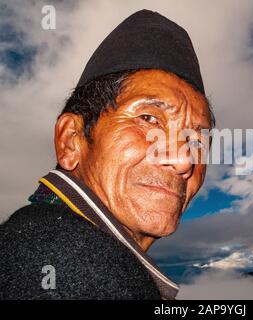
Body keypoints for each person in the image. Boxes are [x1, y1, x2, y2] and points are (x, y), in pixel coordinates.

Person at [0, 9, 214, 300]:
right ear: (70, 141)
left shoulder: (31, 241)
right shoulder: (76, 272)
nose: (184, 160)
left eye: (196, 139)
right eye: (149, 119)